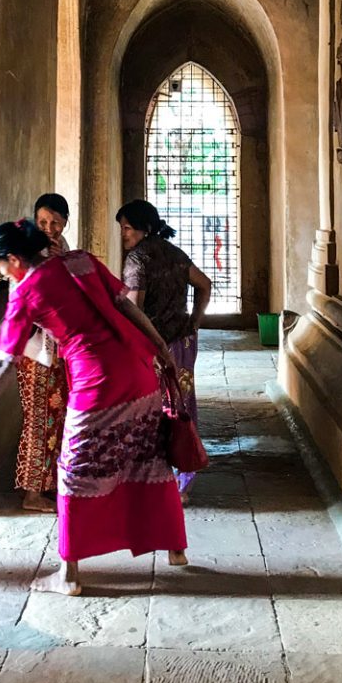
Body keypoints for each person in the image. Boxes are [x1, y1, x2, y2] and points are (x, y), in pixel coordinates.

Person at [0, 220, 188, 596]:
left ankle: (68, 573)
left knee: (74, 471)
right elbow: (125, 306)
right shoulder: (81, 261)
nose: (1, 272)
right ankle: (175, 546)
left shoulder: (26, 292)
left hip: (96, 383)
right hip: (137, 369)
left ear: (14, 259)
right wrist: (160, 348)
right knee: (147, 454)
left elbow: (4, 362)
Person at [116, 199, 212, 502]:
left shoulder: (137, 260)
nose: (124, 235)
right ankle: (185, 480)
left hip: (154, 346)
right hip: (183, 343)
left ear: (143, 228)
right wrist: (195, 322)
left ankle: (159, 479)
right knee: (182, 407)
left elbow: (134, 309)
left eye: (128, 228)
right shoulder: (175, 253)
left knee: (153, 410)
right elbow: (205, 285)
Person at [12, 193, 72, 512]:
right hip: (34, 351)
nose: (49, 228)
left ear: (65, 222)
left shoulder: (63, 252)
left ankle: (47, 484)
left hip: (58, 349)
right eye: (43, 222)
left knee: (56, 416)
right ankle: (31, 493)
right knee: (37, 418)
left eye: (55, 222)